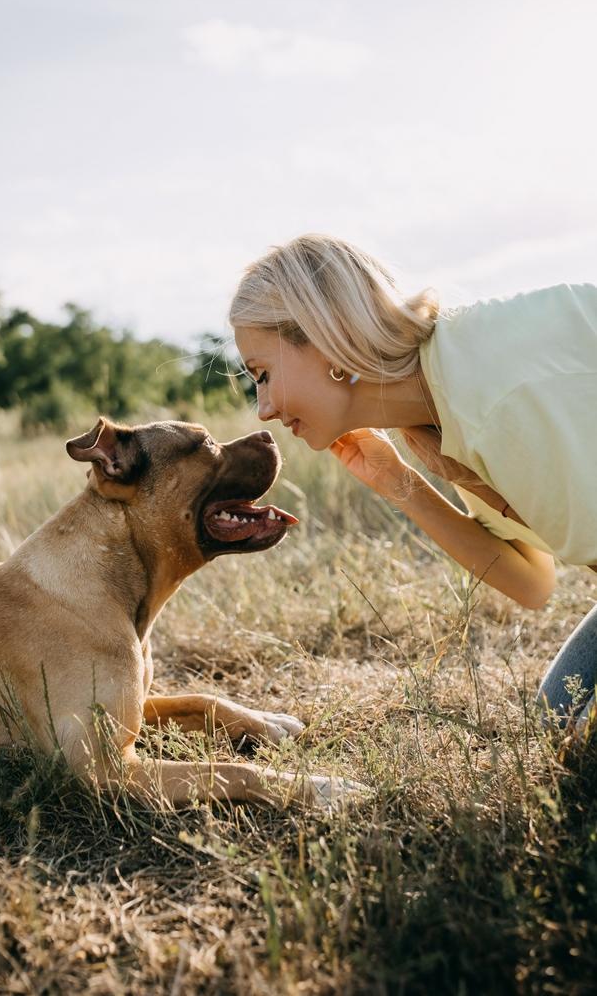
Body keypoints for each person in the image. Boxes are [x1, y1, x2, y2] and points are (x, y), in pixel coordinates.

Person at [229, 234, 597, 730]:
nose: (264, 407)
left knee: (578, 733)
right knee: (562, 719)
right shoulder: (436, 410)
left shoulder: (488, 394)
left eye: (263, 373)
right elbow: (532, 582)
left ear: (326, 338)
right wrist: (397, 483)